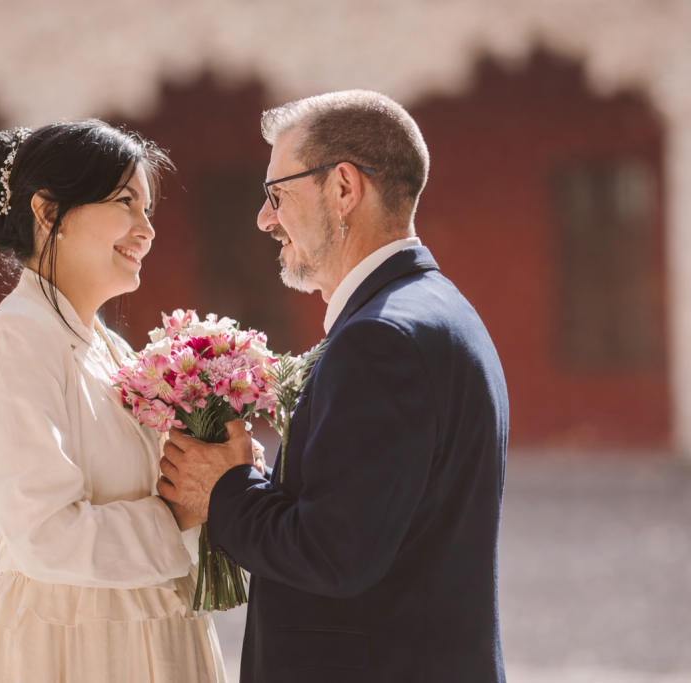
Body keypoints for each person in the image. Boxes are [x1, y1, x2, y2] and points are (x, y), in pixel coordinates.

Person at [158, 91, 509, 682]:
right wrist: (267, 485)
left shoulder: (382, 339)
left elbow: (334, 554)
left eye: (278, 195)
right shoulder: (435, 309)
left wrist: (223, 490)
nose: (265, 218)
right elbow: (376, 521)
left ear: (344, 189)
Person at [0, 119, 226, 683]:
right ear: (49, 213)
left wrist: (218, 470)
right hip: (74, 644)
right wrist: (177, 519)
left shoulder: (114, 350)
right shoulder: (16, 337)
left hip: (154, 628)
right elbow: (47, 533)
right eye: (126, 202)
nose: (146, 230)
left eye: (148, 210)